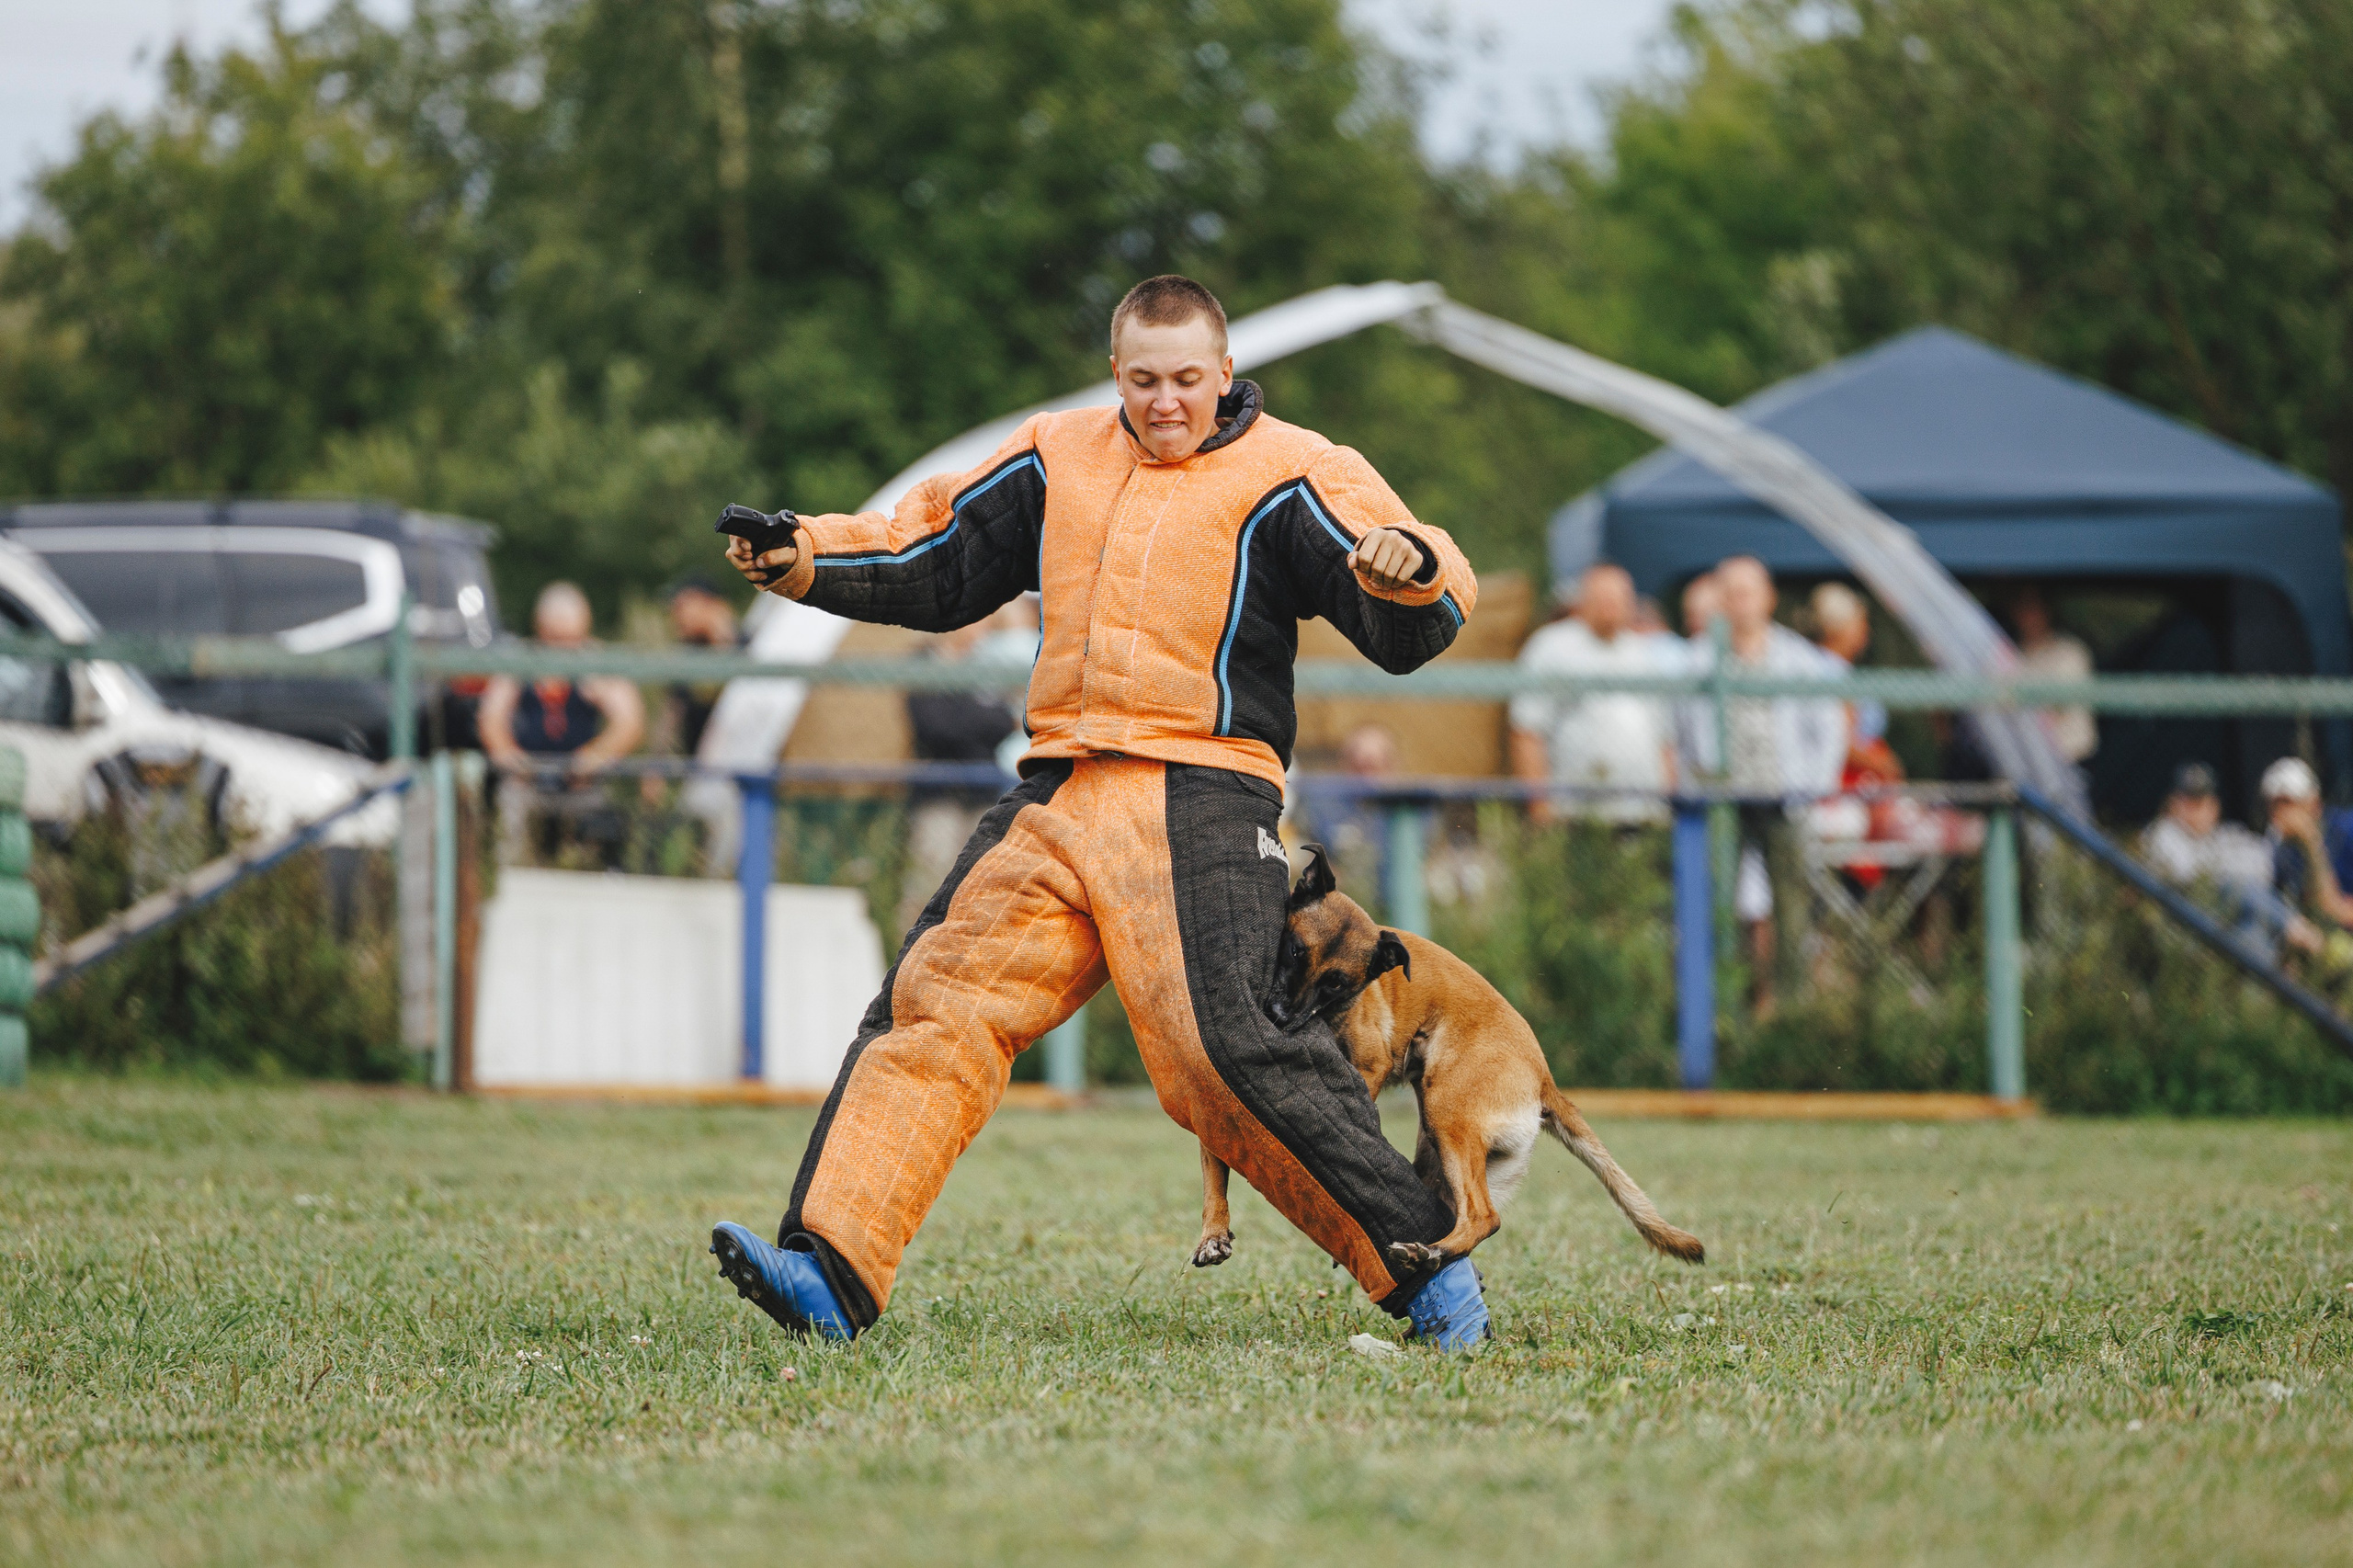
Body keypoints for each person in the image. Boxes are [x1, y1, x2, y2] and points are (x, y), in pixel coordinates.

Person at [710, 275, 1493, 1350]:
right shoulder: (1056, 452)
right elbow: (933, 551)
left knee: (1223, 1051)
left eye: (1184, 380)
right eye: (1140, 380)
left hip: (1203, 788)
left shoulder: (1297, 472)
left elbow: (1420, 602)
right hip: (1059, 787)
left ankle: (1434, 1276)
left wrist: (1413, 571)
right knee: (935, 1002)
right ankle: (828, 1272)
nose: (1164, 402)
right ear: (1114, 372)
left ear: (1223, 373)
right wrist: (805, 554)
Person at [1681, 556, 1847, 1011]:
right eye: (1730, 592)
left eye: (1748, 591)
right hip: (1723, 801)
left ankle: (1792, 1013)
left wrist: (1813, 788)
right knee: (1719, 907)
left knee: (1793, 909)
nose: (1740, 602)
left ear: (1768, 597)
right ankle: (1724, 1012)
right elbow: (1680, 732)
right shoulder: (1698, 658)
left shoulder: (1799, 660)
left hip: (1784, 798)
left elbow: (1829, 728)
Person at [478, 583, 646, 861]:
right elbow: (491, 718)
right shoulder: (523, 660)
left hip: (582, 784)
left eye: (571, 639)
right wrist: (512, 759)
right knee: (510, 814)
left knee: (601, 822)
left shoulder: (596, 663)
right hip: (528, 782)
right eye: (555, 637)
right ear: (541, 630)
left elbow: (630, 722)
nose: (563, 648)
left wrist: (595, 757)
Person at [1509, 563, 1678, 824]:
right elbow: (1527, 731)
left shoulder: (1643, 654)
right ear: (1583, 600)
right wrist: (1540, 806)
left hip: (1644, 813)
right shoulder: (1551, 647)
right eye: (1602, 597)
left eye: (1618, 598)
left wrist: (1669, 805)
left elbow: (1663, 740)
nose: (1610, 605)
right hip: (1574, 814)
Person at [2143, 761, 2318, 961]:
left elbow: (2263, 867)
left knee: (2253, 930)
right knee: (2239, 888)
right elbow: (2188, 874)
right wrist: (2228, 872)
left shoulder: (2226, 834)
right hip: (2188, 924)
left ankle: (2264, 984)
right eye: (2188, 802)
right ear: (2173, 804)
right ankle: (2292, 925)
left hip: (2232, 922)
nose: (2196, 810)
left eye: (2202, 802)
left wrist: (2226, 871)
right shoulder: (2163, 834)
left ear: (2214, 806)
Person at [657, 574, 742, 759]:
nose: (675, 616)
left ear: (708, 603)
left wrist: (721, 636)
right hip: (701, 767)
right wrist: (656, 765)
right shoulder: (687, 654)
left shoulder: (751, 647)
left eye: (681, 607)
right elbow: (672, 712)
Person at [2011, 587, 2097, 766]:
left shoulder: (2070, 651)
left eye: (2033, 609)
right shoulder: (2015, 655)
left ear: (2046, 612)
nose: (2027, 617)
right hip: (2034, 763)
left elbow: (2057, 705)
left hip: (2072, 759)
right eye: (2022, 609)